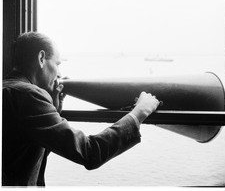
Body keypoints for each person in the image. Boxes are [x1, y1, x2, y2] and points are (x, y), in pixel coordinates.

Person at [2, 32, 160, 186]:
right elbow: (90, 152)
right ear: (41, 58)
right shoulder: (28, 96)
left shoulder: (7, 89)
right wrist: (140, 112)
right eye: (57, 64)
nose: (60, 73)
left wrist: (53, 111)